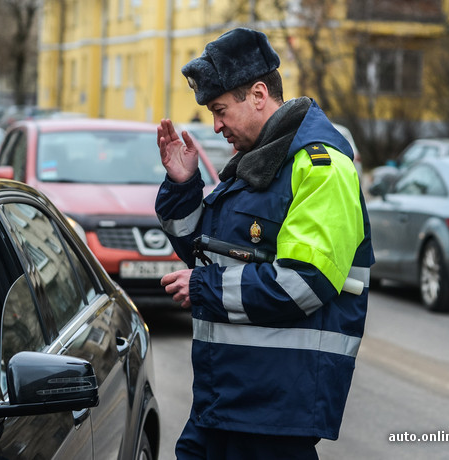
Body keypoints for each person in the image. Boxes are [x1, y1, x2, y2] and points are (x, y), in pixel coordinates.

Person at [155, 27, 374, 459]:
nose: (215, 126)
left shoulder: (320, 166)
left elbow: (304, 283)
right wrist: (183, 186)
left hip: (275, 410)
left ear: (258, 95)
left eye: (220, 110)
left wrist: (204, 289)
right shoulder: (259, 162)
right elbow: (207, 250)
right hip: (228, 401)